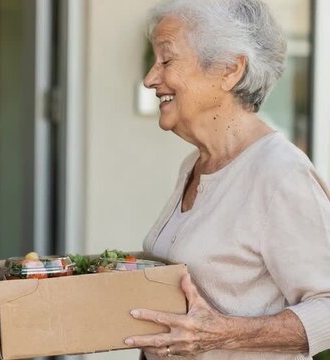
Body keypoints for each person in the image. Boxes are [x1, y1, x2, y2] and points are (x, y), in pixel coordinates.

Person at [122, 0, 330, 359]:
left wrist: (222, 335)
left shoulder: (279, 173)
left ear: (230, 70)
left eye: (167, 60)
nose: (150, 78)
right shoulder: (196, 164)